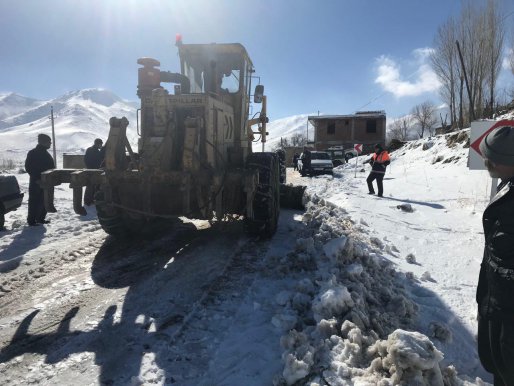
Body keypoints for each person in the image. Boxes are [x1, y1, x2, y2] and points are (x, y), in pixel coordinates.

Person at [476, 125, 514, 385]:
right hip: (497, 306)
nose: (485, 161)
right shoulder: (507, 187)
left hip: (508, 314)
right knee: (499, 369)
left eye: (489, 156)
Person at [25, 134, 55, 226]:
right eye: (49, 142)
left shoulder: (46, 153)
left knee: (44, 200)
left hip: (46, 181)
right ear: (43, 142)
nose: (50, 144)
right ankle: (32, 220)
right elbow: (28, 167)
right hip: (36, 182)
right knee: (34, 201)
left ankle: (40, 218)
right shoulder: (33, 153)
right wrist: (37, 179)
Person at [83, 138, 105, 206]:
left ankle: (89, 200)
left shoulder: (89, 150)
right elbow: (98, 160)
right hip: (93, 171)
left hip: (90, 170)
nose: (101, 145)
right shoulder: (96, 151)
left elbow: (85, 159)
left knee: (91, 186)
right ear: (98, 144)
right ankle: (88, 201)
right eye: (101, 144)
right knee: (91, 186)